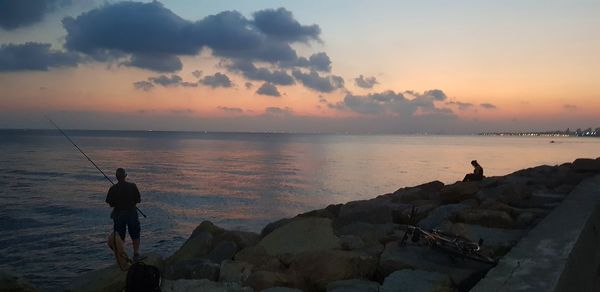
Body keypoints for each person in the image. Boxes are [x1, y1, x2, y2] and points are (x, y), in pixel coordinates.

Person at [106, 168, 143, 261]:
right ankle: (136, 254)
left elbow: (110, 203)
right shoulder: (132, 186)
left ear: (116, 177)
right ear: (125, 176)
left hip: (118, 215)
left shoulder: (113, 188)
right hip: (131, 213)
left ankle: (122, 257)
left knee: (120, 237)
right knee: (135, 234)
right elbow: (138, 200)